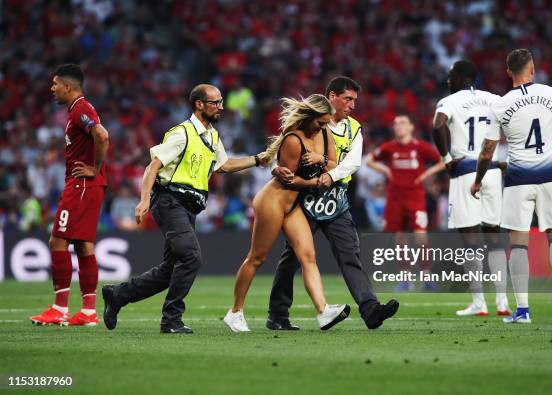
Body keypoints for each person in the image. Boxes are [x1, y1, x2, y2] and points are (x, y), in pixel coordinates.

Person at [102, 84, 265, 334]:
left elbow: (225, 165)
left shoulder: (212, 135)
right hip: (169, 201)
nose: (221, 106)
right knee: (191, 257)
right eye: (215, 102)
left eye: (221, 102)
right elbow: (152, 167)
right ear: (199, 105)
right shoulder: (182, 134)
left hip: (189, 208)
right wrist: (144, 199)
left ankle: (118, 295)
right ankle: (171, 319)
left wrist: (257, 159)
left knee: (171, 268)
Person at [267, 77, 399, 331]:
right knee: (293, 258)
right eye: (347, 99)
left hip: (336, 198)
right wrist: (275, 169)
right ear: (332, 97)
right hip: (304, 199)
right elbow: (281, 149)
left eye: (354, 100)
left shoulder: (354, 128)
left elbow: (354, 163)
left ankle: (370, 309)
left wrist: (329, 173)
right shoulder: (308, 122)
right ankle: (278, 314)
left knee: (350, 255)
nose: (352, 105)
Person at [471, 49, 552, 324]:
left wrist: (478, 180)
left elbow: (487, 151)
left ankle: (523, 310)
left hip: (518, 180)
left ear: (508, 72)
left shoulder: (500, 105)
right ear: (533, 69)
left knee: (518, 243)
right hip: (550, 175)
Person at [223, 94, 350, 332]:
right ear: (309, 117)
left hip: (293, 206)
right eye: (321, 122)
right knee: (257, 258)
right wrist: (315, 183)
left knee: (308, 256)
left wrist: (320, 159)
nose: (324, 126)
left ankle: (323, 312)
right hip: (273, 201)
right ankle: (235, 312)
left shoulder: (325, 133)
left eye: (326, 122)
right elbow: (289, 181)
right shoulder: (294, 139)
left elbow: (334, 164)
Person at [30, 64, 110, 327]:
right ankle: (88, 312)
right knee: (83, 244)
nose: (52, 89)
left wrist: (94, 169)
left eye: (55, 84)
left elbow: (102, 134)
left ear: (68, 87)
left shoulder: (80, 109)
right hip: (86, 185)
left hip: (81, 185)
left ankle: (59, 308)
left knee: (57, 240)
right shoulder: (77, 110)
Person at [432, 60, 511, 316]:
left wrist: (446, 160)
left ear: (460, 78)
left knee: (470, 241)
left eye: (450, 76)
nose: (447, 81)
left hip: (466, 171)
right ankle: (503, 302)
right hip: (493, 172)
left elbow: (437, 125)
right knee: (495, 238)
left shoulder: (450, 101)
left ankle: (479, 303)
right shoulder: (494, 99)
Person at [366, 114, 445, 291]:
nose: (398, 126)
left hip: (415, 197)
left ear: (411, 127)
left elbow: (442, 161)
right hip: (395, 198)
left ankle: (427, 278)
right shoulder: (389, 147)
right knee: (400, 239)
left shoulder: (420, 147)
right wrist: (385, 169)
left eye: (402, 123)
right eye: (395, 124)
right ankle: (405, 279)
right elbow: (370, 161)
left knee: (421, 238)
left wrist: (426, 175)